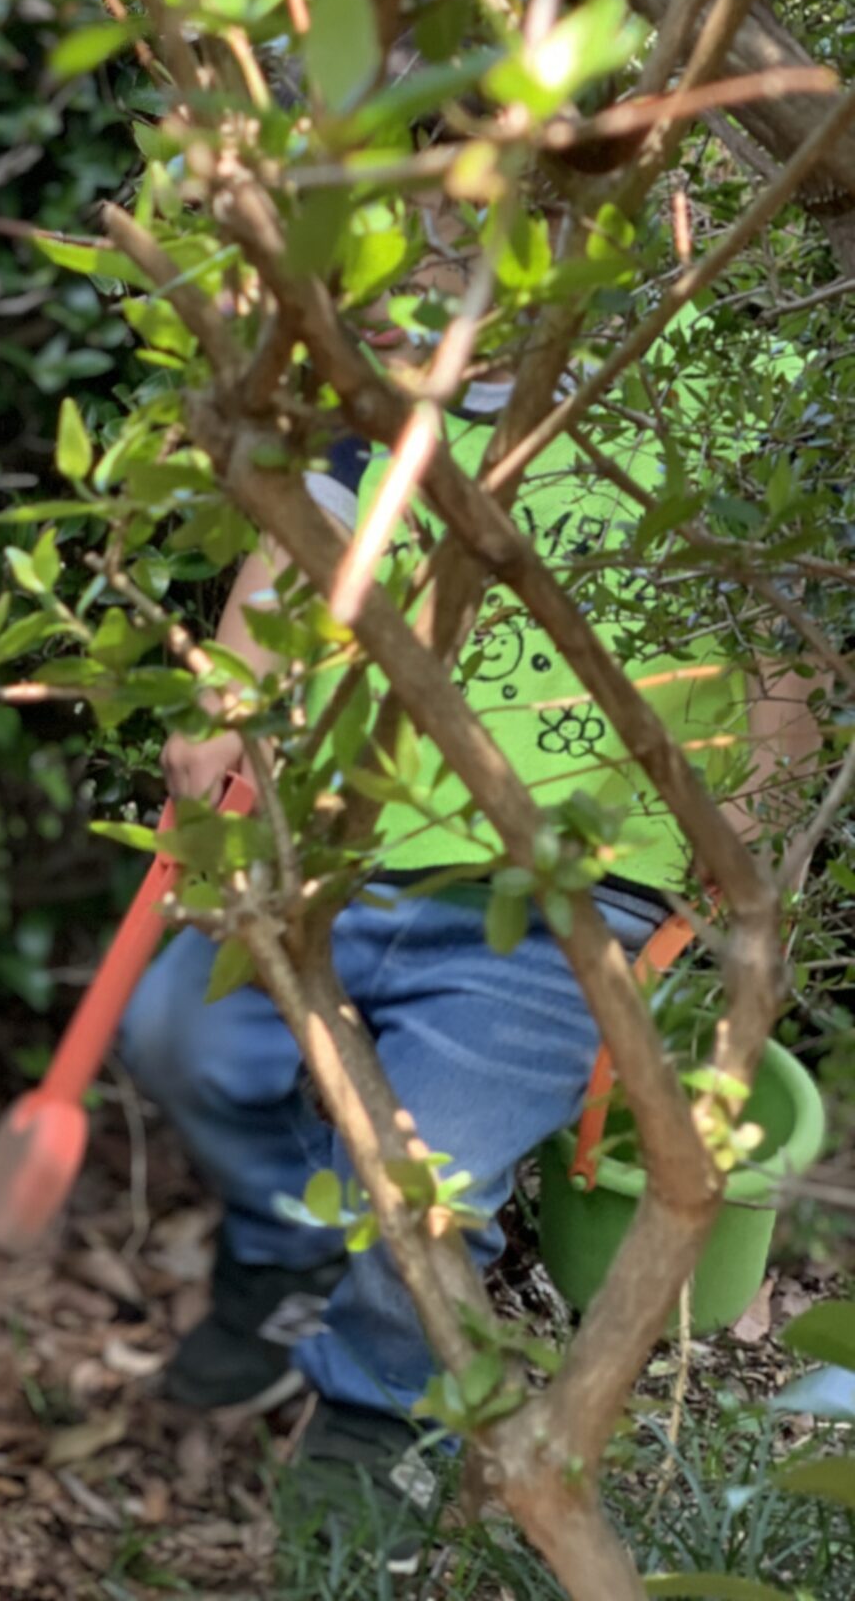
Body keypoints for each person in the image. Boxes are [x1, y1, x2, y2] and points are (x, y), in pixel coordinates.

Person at [118, 212, 813, 1566]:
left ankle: (374, 1419)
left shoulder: (718, 395)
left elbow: (781, 651)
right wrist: (223, 694)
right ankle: (281, 1244)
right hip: (347, 854)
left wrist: (754, 863)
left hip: (566, 902)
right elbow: (286, 556)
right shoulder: (380, 412)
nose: (418, 281)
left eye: (456, 245)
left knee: (420, 1184)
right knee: (181, 1040)